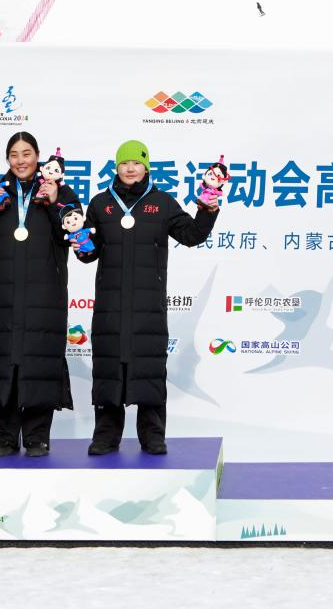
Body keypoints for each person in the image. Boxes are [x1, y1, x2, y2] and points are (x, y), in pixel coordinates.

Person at [74, 140, 219, 455]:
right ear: (116, 167)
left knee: (149, 367)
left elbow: (192, 235)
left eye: (136, 163)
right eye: (124, 163)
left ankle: (153, 435)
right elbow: (89, 253)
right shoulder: (100, 204)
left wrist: (207, 210)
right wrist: (80, 245)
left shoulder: (162, 203)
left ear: (146, 167)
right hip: (110, 304)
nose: (130, 168)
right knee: (109, 368)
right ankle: (105, 436)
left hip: (148, 305)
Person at [0, 132, 80, 457]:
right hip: (4, 293)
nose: (21, 160)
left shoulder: (60, 191)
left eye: (27, 153)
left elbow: (71, 236)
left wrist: (54, 202)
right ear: (7, 159)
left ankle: (37, 435)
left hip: (45, 292)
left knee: (40, 360)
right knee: (5, 360)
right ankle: (4, 435)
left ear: (38, 155)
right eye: (14, 154)